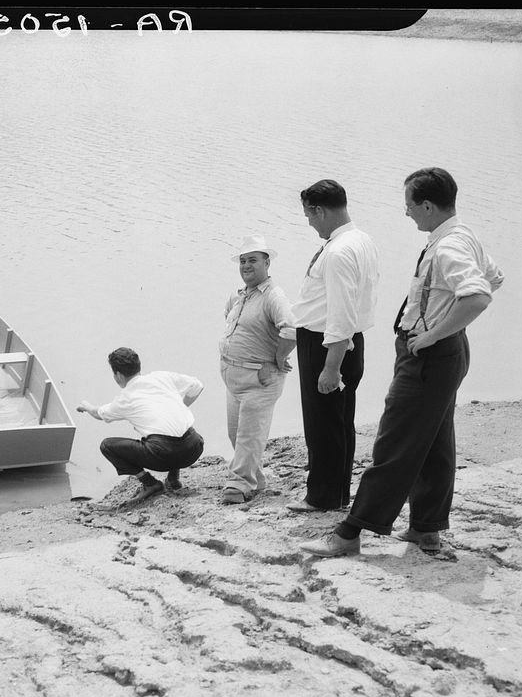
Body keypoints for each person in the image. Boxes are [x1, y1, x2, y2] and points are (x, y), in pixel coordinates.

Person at [301, 167, 503, 557]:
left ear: (427, 205)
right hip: (449, 352)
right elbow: (493, 276)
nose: (406, 212)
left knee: (393, 441)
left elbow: (478, 295)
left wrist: (431, 332)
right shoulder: (463, 235)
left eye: (409, 204)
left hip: (428, 354)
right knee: (435, 442)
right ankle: (426, 528)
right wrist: (447, 321)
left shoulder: (447, 246)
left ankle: (348, 534)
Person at [288, 180, 380, 512]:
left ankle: (323, 497)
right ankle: (337, 494)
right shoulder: (361, 240)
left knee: (322, 424)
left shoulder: (340, 251)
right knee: (339, 422)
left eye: (309, 215)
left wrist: (331, 366)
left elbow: (341, 312)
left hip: (328, 344)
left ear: (320, 210)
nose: (309, 222)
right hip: (348, 342)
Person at [218, 235, 297, 505]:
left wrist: (276, 358)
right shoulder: (238, 296)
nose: (246, 266)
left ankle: (238, 485)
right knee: (235, 433)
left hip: (259, 380)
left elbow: (292, 329)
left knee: (249, 435)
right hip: (234, 378)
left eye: (253, 260)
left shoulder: (274, 295)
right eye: (242, 261)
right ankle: (256, 479)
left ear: (266, 263)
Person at [77, 347, 205, 504]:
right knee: (168, 430)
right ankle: (173, 479)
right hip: (194, 447)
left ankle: (151, 484)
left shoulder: (126, 397)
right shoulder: (162, 377)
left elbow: (99, 414)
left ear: (117, 375)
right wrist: (182, 406)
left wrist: (86, 406)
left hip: (164, 456)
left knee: (107, 446)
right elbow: (197, 385)